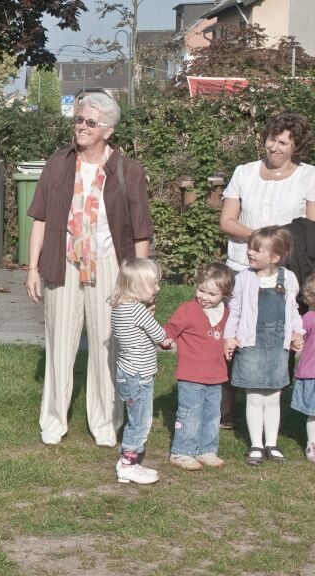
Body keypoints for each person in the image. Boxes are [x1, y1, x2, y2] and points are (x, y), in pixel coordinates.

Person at [25, 93, 153, 447]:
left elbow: (141, 231)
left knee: (106, 346)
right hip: (61, 263)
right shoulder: (58, 164)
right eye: (79, 119)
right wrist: (32, 268)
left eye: (90, 122)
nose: (81, 126)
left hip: (110, 266)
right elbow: (40, 218)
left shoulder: (129, 170)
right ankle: (53, 420)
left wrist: (141, 282)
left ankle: (105, 422)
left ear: (108, 130)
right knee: (59, 344)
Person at [219, 112, 315, 429]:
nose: (273, 147)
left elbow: (311, 228)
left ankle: (272, 408)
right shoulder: (244, 172)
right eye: (271, 139)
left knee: (279, 339)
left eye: (283, 142)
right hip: (241, 269)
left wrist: (277, 252)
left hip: (285, 275)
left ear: (296, 147)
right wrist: (262, 243)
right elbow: (227, 221)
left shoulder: (309, 177)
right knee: (235, 335)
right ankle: (226, 408)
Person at [224, 226, 304, 465]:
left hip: (278, 347)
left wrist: (296, 332)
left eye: (257, 250)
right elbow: (235, 311)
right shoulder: (243, 278)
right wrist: (229, 337)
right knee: (255, 396)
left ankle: (272, 443)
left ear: (275, 257)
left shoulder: (288, 278)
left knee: (273, 396)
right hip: (251, 344)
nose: (250, 253)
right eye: (250, 248)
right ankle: (256, 445)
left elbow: (292, 310)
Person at [163, 263, 234, 471]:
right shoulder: (188, 309)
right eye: (201, 290)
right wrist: (166, 339)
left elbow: (231, 335)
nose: (204, 296)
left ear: (224, 294)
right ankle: (181, 452)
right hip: (191, 374)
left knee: (212, 415)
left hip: (216, 375)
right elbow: (170, 328)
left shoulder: (227, 314)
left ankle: (206, 449)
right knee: (190, 413)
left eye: (212, 294)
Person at [109, 258, 165, 484]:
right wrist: (166, 338)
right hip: (139, 375)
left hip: (126, 373)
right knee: (140, 422)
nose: (158, 288)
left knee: (134, 417)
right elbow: (159, 336)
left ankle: (128, 461)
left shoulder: (119, 307)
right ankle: (128, 465)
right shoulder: (138, 311)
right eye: (154, 284)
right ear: (137, 287)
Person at [292, 272, 315, 463]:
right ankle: (312, 444)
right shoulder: (309, 317)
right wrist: (296, 341)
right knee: (313, 413)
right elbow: (298, 336)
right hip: (312, 372)